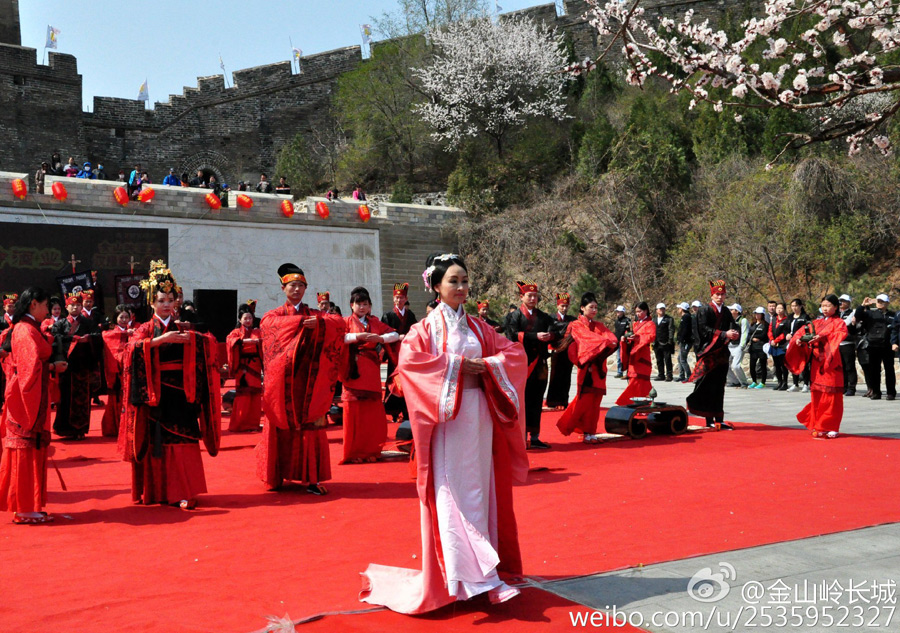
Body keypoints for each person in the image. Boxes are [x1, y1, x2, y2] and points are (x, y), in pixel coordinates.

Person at [360, 252, 528, 613]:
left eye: (465, 280)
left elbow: (514, 354)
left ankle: (482, 574)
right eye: (454, 281)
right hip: (447, 421)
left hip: (479, 417)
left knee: (480, 491)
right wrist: (456, 366)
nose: (461, 287)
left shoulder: (480, 328)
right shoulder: (424, 330)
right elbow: (410, 364)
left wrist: (489, 366)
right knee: (453, 493)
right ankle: (470, 578)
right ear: (436, 286)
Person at [119, 262, 220, 508]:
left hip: (183, 393)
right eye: (161, 300)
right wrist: (158, 341)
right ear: (152, 302)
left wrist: (193, 339)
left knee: (184, 441)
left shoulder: (184, 327)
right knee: (159, 442)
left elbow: (211, 342)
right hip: (155, 393)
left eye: (170, 300)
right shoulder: (145, 328)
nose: (166, 304)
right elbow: (128, 352)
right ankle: (159, 492)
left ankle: (183, 491)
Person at [257, 263, 346, 495]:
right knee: (280, 423)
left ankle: (311, 479)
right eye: (292, 285)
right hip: (283, 382)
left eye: (300, 286)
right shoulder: (275, 315)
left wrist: (320, 324)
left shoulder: (316, 315)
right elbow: (267, 325)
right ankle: (276, 476)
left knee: (310, 425)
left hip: (309, 381)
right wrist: (300, 323)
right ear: (283, 288)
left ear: (306, 289)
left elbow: (339, 323)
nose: (296, 289)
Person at [0, 288, 67, 524]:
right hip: (25, 397)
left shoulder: (26, 328)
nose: (48, 310)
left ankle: (28, 506)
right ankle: (25, 508)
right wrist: (52, 367)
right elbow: (29, 368)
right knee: (25, 450)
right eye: (45, 305)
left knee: (29, 450)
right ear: (33, 305)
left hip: (27, 392)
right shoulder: (25, 330)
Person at [341, 286, 399, 463]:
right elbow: (337, 338)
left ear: (370, 306)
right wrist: (356, 337)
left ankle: (372, 450)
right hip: (352, 369)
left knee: (372, 412)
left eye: (365, 304)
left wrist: (380, 339)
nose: (362, 307)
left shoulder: (375, 323)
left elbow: (394, 334)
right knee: (354, 411)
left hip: (371, 370)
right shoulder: (345, 322)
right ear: (351, 305)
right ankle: (354, 452)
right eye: (358, 304)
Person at [556, 292, 618, 443]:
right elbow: (586, 342)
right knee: (584, 402)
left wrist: (605, 343)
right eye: (591, 307)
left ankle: (591, 432)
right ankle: (577, 428)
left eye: (596, 307)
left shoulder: (599, 325)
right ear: (582, 308)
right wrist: (603, 343)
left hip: (599, 369)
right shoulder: (576, 325)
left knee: (595, 403)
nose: (594, 310)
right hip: (586, 369)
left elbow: (612, 339)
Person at [504, 280, 559, 449]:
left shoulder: (543, 316)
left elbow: (556, 330)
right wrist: (535, 336)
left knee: (537, 398)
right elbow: (511, 335)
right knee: (521, 400)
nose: (533, 299)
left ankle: (534, 437)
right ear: (521, 297)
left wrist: (550, 336)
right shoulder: (513, 316)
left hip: (539, 363)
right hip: (520, 364)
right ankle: (519, 436)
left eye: (535, 296)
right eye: (529, 296)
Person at [787, 294, 848, 439]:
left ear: (835, 307)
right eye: (823, 305)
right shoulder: (816, 322)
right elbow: (801, 333)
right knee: (818, 395)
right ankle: (820, 425)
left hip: (831, 363)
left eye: (828, 306)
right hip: (817, 363)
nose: (825, 308)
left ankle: (832, 426)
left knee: (832, 395)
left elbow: (840, 335)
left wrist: (823, 337)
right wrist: (799, 340)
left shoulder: (839, 323)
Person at [686, 280, 739, 430]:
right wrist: (723, 334)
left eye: (722, 294)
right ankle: (709, 419)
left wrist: (734, 334)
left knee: (719, 386)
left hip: (721, 353)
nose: (720, 297)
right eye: (717, 294)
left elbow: (732, 325)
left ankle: (719, 418)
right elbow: (703, 330)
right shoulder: (704, 310)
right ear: (712, 295)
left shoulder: (726, 311)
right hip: (708, 352)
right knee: (708, 385)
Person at [53, 293, 95, 440]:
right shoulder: (60, 324)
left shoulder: (88, 322)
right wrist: (73, 339)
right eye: (72, 305)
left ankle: (80, 429)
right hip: (66, 365)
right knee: (65, 397)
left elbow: (97, 335)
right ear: (66, 307)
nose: (75, 307)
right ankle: (64, 428)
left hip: (83, 365)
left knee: (82, 398)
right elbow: (55, 338)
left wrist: (89, 339)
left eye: (78, 305)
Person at [381, 283, 418, 423]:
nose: (399, 300)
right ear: (393, 299)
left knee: (407, 382)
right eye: (396, 298)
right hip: (393, 353)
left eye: (402, 297)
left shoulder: (410, 315)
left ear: (406, 299)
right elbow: (384, 333)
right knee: (393, 381)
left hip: (406, 353)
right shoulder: (388, 315)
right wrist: (397, 337)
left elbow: (415, 331)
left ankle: (407, 411)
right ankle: (394, 412)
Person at [225, 306, 263, 432]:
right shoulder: (236, 332)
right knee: (243, 396)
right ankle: (239, 424)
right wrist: (243, 341)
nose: (248, 320)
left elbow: (264, 341)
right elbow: (230, 341)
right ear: (240, 320)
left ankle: (253, 424)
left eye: (250, 318)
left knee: (255, 395)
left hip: (255, 365)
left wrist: (259, 341)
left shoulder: (258, 331)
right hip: (243, 367)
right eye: (245, 318)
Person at [855, 293, 895, 400]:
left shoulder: (893, 315)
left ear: (887, 303)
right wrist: (863, 305)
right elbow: (858, 316)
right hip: (873, 345)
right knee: (874, 370)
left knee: (889, 369)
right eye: (878, 301)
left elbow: (896, 329)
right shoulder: (870, 314)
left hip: (887, 345)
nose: (880, 303)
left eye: (882, 301)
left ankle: (891, 392)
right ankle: (876, 392)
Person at [615, 302, 656, 406]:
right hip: (634, 354)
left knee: (641, 380)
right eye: (636, 312)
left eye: (640, 311)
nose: (638, 314)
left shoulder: (650, 324)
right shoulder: (635, 324)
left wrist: (638, 337)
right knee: (633, 378)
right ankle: (637, 401)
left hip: (642, 354)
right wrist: (626, 338)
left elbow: (651, 336)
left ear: (646, 311)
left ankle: (632, 401)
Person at [100, 305, 132, 438]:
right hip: (117, 371)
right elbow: (108, 340)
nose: (124, 320)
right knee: (115, 397)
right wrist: (125, 334)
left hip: (129, 369)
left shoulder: (135, 331)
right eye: (121, 317)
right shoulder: (110, 333)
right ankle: (114, 427)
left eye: (126, 317)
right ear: (115, 318)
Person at [545, 292, 577, 409]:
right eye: (562, 306)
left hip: (568, 351)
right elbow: (550, 331)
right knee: (555, 376)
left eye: (566, 306)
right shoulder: (551, 318)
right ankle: (552, 401)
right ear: (557, 306)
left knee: (566, 376)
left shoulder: (571, 319)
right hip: (556, 350)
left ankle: (564, 400)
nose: (564, 308)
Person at [787, 299, 811, 393]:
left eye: (796, 306)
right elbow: (786, 329)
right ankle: (795, 383)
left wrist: (801, 338)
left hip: (802, 343)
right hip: (792, 343)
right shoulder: (790, 317)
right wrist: (787, 335)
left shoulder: (805, 317)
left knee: (803, 364)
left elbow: (808, 329)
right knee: (794, 363)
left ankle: (805, 384)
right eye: (792, 306)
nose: (794, 308)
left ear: (800, 306)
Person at [838, 294, 858, 397]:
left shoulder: (852, 312)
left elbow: (845, 324)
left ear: (849, 302)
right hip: (837, 343)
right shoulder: (836, 313)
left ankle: (852, 387)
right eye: (840, 301)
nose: (841, 303)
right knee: (841, 366)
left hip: (848, 343)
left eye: (844, 301)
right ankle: (843, 386)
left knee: (849, 366)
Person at [726, 303, 750, 388]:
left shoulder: (743, 320)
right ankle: (734, 381)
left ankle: (744, 382)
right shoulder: (730, 320)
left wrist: (742, 346)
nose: (730, 311)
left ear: (737, 311)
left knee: (736, 366)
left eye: (732, 310)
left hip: (738, 346)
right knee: (724, 364)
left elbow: (744, 333)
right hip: (730, 345)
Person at [769, 302, 790, 391]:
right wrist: (771, 340)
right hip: (774, 345)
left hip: (782, 345)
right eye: (777, 308)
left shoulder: (787, 320)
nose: (779, 310)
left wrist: (776, 340)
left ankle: (785, 383)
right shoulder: (774, 319)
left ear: (784, 309)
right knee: (776, 364)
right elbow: (770, 330)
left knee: (783, 364)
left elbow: (784, 333)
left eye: (781, 308)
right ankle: (779, 382)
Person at [747, 307, 770, 389]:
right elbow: (749, 334)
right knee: (752, 365)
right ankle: (754, 381)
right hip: (753, 347)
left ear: (762, 315)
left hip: (761, 347)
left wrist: (758, 338)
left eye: (759, 314)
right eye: (756, 313)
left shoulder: (765, 325)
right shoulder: (753, 324)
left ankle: (763, 382)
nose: (757, 315)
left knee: (763, 365)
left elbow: (764, 335)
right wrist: (751, 338)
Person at [652, 302, 675, 382]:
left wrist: (670, 340)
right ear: (657, 310)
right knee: (659, 359)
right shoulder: (654, 319)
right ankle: (661, 374)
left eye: (663, 309)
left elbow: (671, 330)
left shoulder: (669, 319)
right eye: (660, 309)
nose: (662, 310)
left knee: (667, 359)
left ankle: (669, 375)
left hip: (665, 342)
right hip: (656, 342)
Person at [675, 302, 693, 382]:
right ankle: (681, 375)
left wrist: (682, 339)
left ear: (682, 309)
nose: (678, 310)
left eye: (679, 308)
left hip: (686, 342)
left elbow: (685, 330)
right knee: (679, 358)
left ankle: (689, 376)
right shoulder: (684, 317)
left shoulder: (686, 317)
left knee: (683, 359)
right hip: (683, 341)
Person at [612, 305, 630, 378]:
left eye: (619, 311)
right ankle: (620, 372)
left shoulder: (627, 320)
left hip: (625, 342)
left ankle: (628, 372)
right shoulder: (616, 321)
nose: (617, 312)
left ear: (622, 312)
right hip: (618, 341)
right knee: (619, 357)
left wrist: (625, 337)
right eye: (617, 311)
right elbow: (616, 331)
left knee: (625, 357)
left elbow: (629, 331)